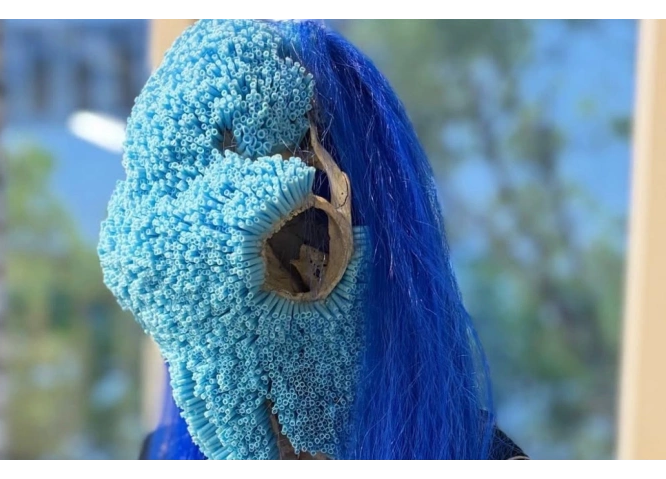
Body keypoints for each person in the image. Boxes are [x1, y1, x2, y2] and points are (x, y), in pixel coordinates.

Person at [98, 18, 529, 462]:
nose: (248, 332)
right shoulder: (159, 457)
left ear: (380, 255)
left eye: (300, 255)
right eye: (199, 289)